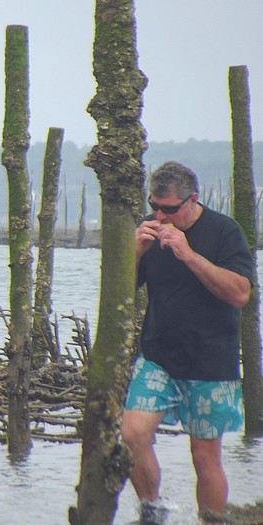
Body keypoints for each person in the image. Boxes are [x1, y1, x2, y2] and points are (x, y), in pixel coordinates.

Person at [121, 161, 254, 524]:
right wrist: (134, 252)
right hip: (159, 357)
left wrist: (189, 254)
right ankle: (152, 509)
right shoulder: (147, 231)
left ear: (192, 200)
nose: (161, 217)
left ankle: (210, 520)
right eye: (155, 206)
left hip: (212, 361)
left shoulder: (224, 232)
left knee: (204, 456)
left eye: (170, 209)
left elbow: (241, 294)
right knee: (132, 434)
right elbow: (119, 293)